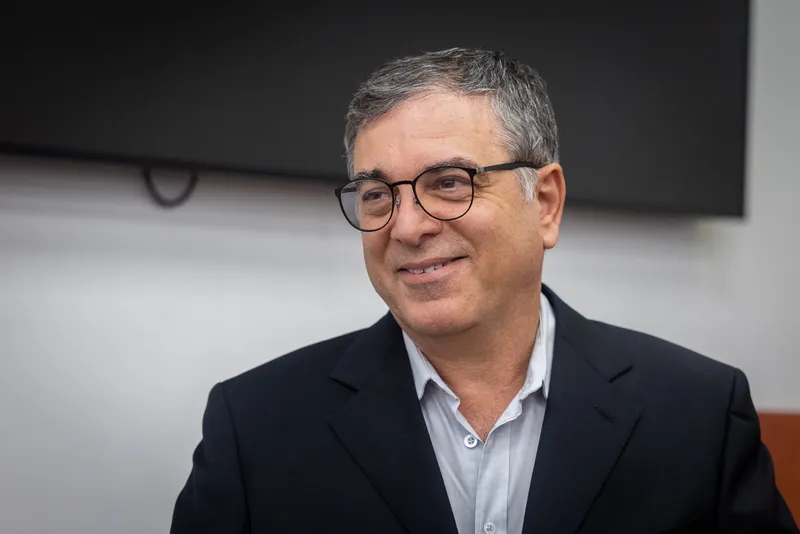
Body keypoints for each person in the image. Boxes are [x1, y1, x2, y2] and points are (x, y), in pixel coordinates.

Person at [170, 48, 798, 534]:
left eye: (449, 182)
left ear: (545, 203)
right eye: (377, 195)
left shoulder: (699, 415)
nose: (407, 227)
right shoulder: (255, 426)